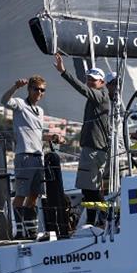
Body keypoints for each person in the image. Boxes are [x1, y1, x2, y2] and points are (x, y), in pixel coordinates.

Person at [53, 54, 110, 222]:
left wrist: (64, 72)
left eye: (94, 80)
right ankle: (98, 219)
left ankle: (105, 217)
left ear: (102, 82)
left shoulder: (100, 96)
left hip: (93, 150)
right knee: (90, 190)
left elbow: (82, 89)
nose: (90, 82)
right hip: (95, 150)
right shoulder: (99, 96)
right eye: (89, 79)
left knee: (88, 190)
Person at [1, 75, 54, 239]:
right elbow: (4, 101)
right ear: (29, 89)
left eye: (42, 90)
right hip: (24, 156)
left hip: (39, 157)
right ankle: (17, 231)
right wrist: (15, 87)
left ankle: (30, 231)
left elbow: (37, 135)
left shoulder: (40, 111)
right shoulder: (20, 104)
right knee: (21, 195)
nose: (39, 92)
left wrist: (51, 138)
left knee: (35, 195)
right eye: (36, 89)